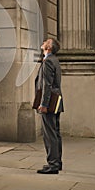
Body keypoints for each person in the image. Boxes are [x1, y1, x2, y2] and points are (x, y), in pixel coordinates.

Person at [35, 38, 64, 174]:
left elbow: (47, 84)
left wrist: (43, 104)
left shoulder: (48, 61)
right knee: (55, 132)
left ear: (49, 48)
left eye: (47, 41)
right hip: (57, 99)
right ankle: (57, 162)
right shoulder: (55, 60)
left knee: (50, 134)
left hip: (50, 101)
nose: (44, 42)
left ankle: (52, 164)